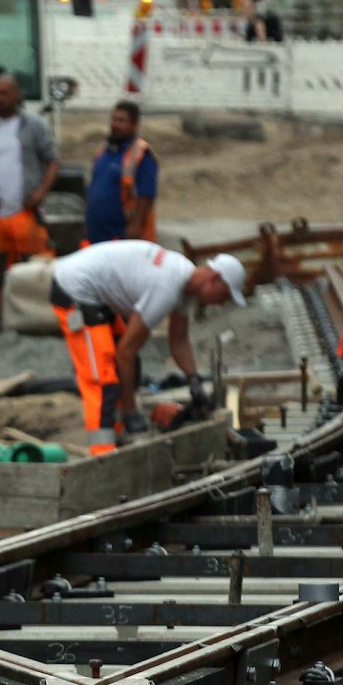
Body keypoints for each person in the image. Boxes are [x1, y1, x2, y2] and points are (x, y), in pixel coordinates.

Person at [43, 240, 246, 456]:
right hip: (75, 289)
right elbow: (125, 353)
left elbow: (178, 339)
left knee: (129, 365)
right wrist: (132, 410)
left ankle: (118, 432)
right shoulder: (167, 286)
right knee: (102, 377)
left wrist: (193, 379)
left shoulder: (184, 281)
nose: (222, 303)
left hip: (95, 293)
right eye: (225, 295)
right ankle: (102, 452)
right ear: (214, 279)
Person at [0, 71, 58, 277]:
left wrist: (41, 192)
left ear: (16, 95)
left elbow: (52, 160)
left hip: (25, 213)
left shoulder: (34, 125)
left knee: (32, 272)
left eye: (4, 93)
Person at [86, 100, 158, 244]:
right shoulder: (104, 152)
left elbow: (146, 194)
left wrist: (135, 226)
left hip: (121, 235)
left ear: (134, 125)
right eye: (113, 119)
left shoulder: (142, 154)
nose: (115, 125)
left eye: (121, 121)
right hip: (96, 234)